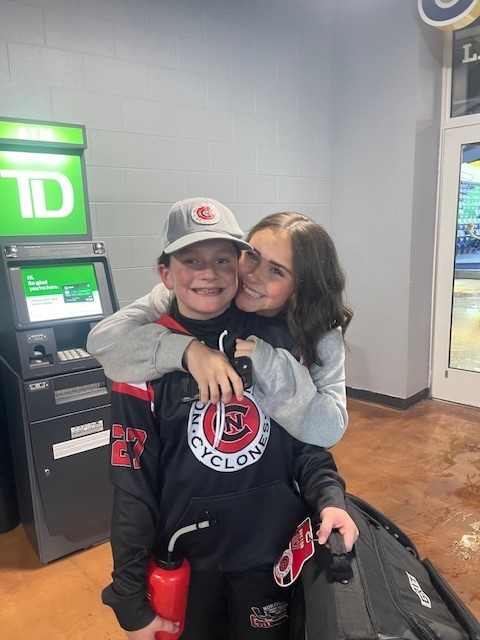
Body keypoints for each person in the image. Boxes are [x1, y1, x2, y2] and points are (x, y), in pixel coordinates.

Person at [101, 197, 358, 640]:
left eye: (223, 259)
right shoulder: (141, 358)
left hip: (270, 553)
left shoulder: (281, 346)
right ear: (166, 274)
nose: (209, 273)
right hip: (185, 558)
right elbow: (132, 486)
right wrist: (128, 595)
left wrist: (330, 498)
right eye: (191, 260)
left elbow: (306, 444)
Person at [87, 212, 352, 448]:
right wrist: (188, 351)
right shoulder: (208, 293)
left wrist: (269, 364)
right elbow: (103, 339)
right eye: (252, 257)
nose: (252, 276)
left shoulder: (321, 332)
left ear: (302, 287)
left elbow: (330, 428)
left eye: (276, 271)